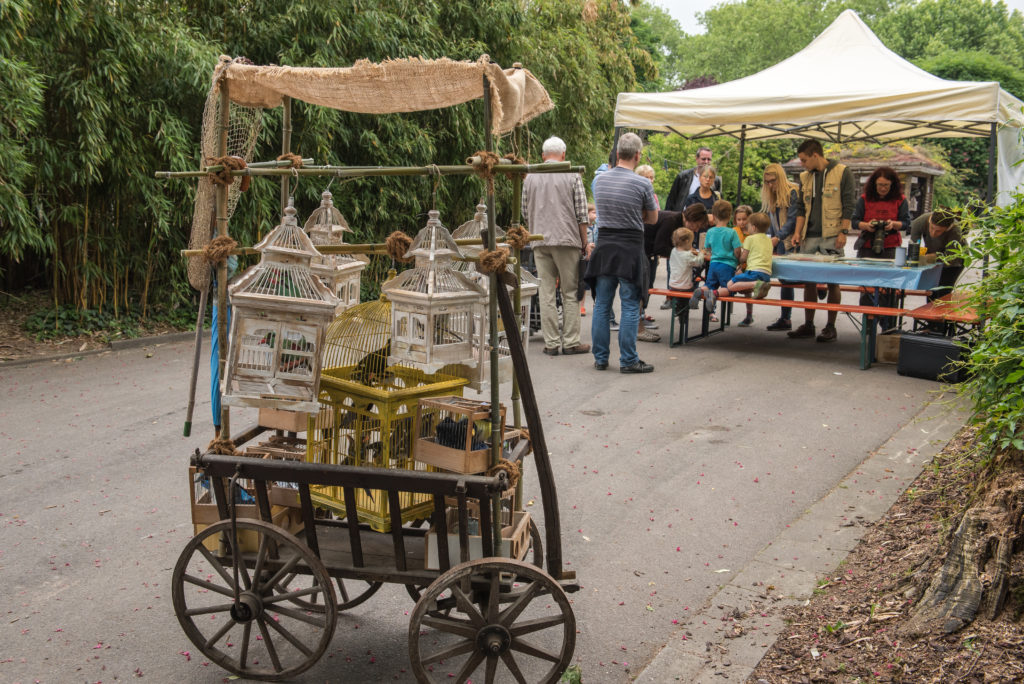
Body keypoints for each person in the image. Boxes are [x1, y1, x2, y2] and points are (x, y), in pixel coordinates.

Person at [586, 132, 658, 373]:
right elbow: (653, 218)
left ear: (617, 154)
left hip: (605, 246)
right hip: (630, 247)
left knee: (602, 304)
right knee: (629, 305)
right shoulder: (643, 183)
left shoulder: (599, 181)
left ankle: (600, 358)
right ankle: (628, 360)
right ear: (637, 155)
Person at [521, 136, 590, 356]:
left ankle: (551, 343)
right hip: (567, 240)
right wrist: (584, 241)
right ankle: (570, 341)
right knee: (569, 292)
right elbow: (581, 213)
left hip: (539, 240)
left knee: (546, 292)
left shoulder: (530, 177)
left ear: (543, 156)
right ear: (563, 155)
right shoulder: (571, 175)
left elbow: (524, 210)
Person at [789, 139, 857, 343]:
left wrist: (843, 231)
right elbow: (801, 207)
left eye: (804, 160)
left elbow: (848, 204)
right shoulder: (805, 176)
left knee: (832, 280)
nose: (802, 164)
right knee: (808, 280)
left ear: (815, 155)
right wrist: (797, 232)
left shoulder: (842, 172)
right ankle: (808, 324)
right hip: (809, 236)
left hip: (832, 234)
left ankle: (830, 326)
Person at [760, 163, 799, 331]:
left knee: (791, 280)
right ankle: (785, 318)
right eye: (767, 181)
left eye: (773, 181)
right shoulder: (771, 194)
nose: (770, 185)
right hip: (779, 241)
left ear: (780, 178)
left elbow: (792, 220)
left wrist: (777, 238)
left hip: (791, 242)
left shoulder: (792, 192)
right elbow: (771, 220)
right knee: (785, 280)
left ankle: (821, 287)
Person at [690, 199, 741, 323]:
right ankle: (714, 294)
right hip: (727, 265)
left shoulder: (710, 231)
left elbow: (707, 249)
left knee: (709, 284)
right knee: (728, 289)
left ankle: (701, 290)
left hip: (713, 264)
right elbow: (737, 250)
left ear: (714, 215)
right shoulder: (732, 232)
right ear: (729, 216)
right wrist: (738, 260)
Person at [851, 166, 910, 259]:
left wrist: (893, 224)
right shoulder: (864, 199)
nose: (883, 188)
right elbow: (854, 222)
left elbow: (906, 223)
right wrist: (867, 226)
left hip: (891, 248)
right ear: (874, 184)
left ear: (892, 184)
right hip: (867, 246)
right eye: (880, 185)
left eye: (886, 185)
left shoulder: (900, 200)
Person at [717, 212, 774, 301]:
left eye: (748, 225)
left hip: (754, 273)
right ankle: (759, 286)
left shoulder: (750, 239)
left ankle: (756, 284)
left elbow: (743, 258)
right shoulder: (769, 240)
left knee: (730, 285)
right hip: (766, 275)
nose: (747, 227)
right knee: (746, 289)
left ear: (753, 227)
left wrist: (738, 260)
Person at [909, 208, 966, 297]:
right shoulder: (919, 222)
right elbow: (913, 246)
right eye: (931, 228)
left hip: (955, 260)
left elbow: (951, 258)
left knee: (943, 292)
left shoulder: (955, 230)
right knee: (931, 291)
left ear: (947, 228)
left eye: (938, 231)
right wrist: (916, 258)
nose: (933, 233)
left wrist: (928, 258)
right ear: (929, 220)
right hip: (933, 253)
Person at [665, 147, 722, 212]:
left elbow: (718, 202)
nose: (706, 162)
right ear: (697, 159)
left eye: (709, 159)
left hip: (706, 217)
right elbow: (671, 200)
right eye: (703, 159)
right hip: (684, 216)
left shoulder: (716, 180)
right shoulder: (683, 177)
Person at [668, 227, 703, 294]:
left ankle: (672, 302)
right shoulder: (688, 255)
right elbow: (699, 262)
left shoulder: (673, 251)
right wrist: (701, 253)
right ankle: (689, 304)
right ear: (687, 241)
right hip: (685, 287)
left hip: (672, 285)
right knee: (695, 288)